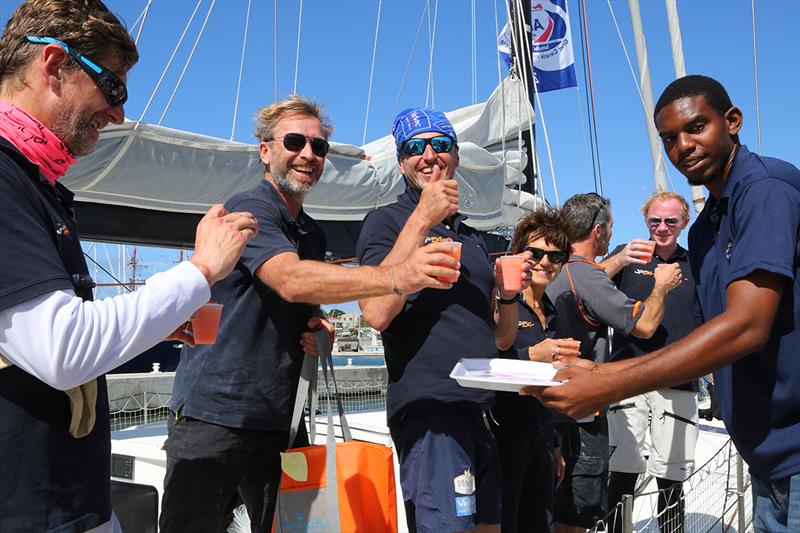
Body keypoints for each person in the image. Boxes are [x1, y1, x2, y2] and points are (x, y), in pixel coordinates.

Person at [0, 1, 259, 531]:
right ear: (53, 64)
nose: (119, 113)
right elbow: (63, 351)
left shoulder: (35, 185)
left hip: (68, 503)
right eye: (113, 86)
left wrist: (163, 317)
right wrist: (200, 271)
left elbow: (32, 348)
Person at [159, 97, 461, 533]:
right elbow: (291, 280)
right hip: (215, 415)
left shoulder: (311, 233)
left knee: (290, 528)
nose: (308, 155)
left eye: (319, 148)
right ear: (265, 150)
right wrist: (398, 276)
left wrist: (318, 326)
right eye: (295, 142)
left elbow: (302, 299)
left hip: (281, 418)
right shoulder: (252, 208)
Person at [530, 75, 800, 532]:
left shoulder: (766, 188)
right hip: (768, 456)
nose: (684, 146)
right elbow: (704, 329)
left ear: (732, 122)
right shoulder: (706, 229)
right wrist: (600, 372)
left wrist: (607, 385)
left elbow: (747, 326)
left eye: (697, 127)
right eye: (670, 138)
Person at [356, 107, 531, 533]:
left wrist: (507, 296)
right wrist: (422, 218)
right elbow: (376, 313)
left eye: (441, 145)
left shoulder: (471, 239)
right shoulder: (386, 222)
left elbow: (502, 338)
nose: (429, 154)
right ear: (402, 162)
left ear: (455, 156)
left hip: (483, 410)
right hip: (432, 411)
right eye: (416, 147)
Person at [543, 193, 683, 532]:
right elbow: (646, 325)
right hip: (582, 417)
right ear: (598, 231)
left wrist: (617, 261)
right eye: (610, 229)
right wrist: (661, 286)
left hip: (553, 411)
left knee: (558, 512)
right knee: (578, 517)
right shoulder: (587, 276)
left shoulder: (555, 268)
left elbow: (584, 282)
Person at [602, 192, 698, 533]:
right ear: (646, 221)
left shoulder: (697, 262)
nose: (662, 228)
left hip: (680, 381)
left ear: (684, 222)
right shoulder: (629, 256)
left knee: (671, 479)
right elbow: (585, 284)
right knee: (623, 472)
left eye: (671, 221)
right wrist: (618, 260)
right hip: (629, 376)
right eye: (654, 221)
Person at [490, 208, 576, 533]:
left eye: (555, 256)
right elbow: (483, 363)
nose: (545, 262)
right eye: (536, 252)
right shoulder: (500, 301)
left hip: (539, 437)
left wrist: (554, 445)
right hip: (503, 437)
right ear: (519, 254)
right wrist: (530, 355)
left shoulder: (551, 311)